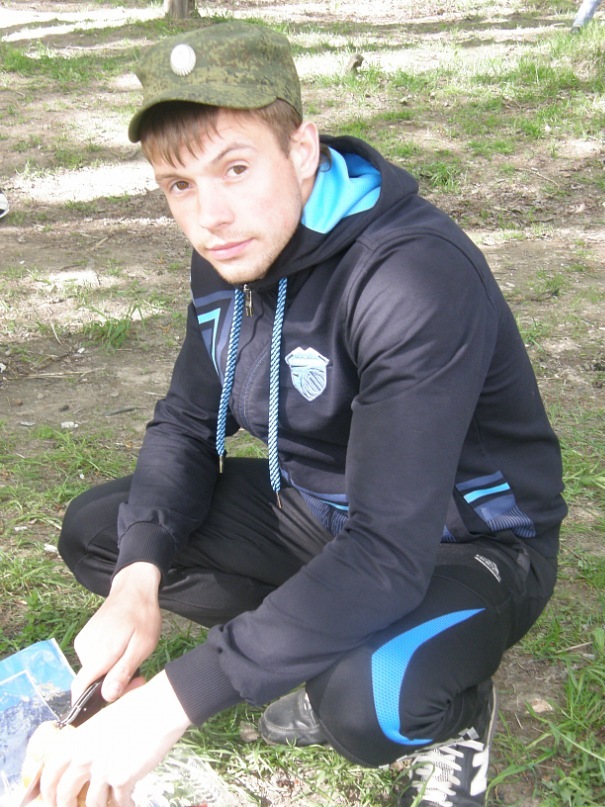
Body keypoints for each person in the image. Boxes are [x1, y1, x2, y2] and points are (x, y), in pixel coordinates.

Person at [41, 20, 566, 807]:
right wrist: (136, 582)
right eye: (179, 184)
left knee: (363, 702)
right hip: (318, 515)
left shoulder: (410, 276)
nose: (210, 216)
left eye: (236, 168)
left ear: (301, 150)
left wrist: (172, 701)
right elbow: (187, 425)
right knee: (108, 533)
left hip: (459, 541)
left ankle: (450, 714)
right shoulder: (232, 252)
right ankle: (313, 643)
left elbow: (388, 548)